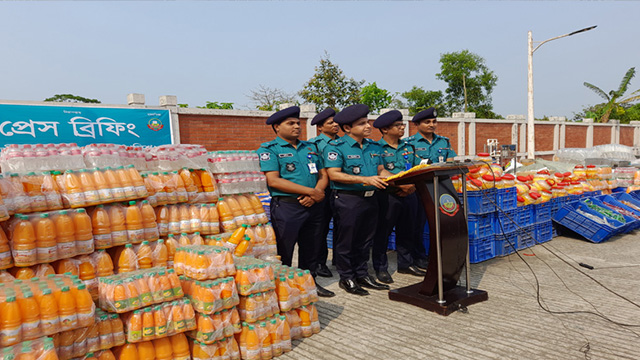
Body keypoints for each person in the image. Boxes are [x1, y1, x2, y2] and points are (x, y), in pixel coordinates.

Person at [257, 105, 335, 297]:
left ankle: (309, 284)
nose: (297, 127)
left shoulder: (311, 147)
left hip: (313, 205)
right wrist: (311, 192)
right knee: (285, 250)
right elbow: (273, 180)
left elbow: (323, 174)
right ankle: (283, 288)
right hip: (287, 207)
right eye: (290, 123)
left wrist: (316, 193)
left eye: (298, 123)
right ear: (277, 127)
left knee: (312, 248)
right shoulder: (269, 149)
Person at [323, 104, 392, 296]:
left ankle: (362, 274)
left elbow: (381, 171)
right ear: (347, 128)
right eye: (362, 124)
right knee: (347, 241)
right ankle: (347, 277)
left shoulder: (374, 146)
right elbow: (334, 174)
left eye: (368, 122)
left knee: (365, 240)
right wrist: (365, 180)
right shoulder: (336, 147)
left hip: (371, 199)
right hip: (348, 199)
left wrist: (398, 177)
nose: (368, 126)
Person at [372, 110, 427, 284]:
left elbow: (417, 168)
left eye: (402, 124)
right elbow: (377, 171)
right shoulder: (376, 149)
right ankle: (381, 268)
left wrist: (411, 186)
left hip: (410, 193)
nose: (402, 127)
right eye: (398, 126)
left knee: (408, 230)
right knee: (383, 233)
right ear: (385, 129)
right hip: (388, 195)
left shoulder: (408, 147)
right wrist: (398, 185)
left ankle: (406, 263)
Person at [405, 107, 457, 270]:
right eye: (427, 122)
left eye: (434, 122)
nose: (431, 125)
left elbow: (450, 161)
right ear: (417, 124)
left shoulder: (444, 141)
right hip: (420, 189)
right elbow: (408, 167)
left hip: (441, 188)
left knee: (442, 223)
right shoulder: (409, 143)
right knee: (417, 224)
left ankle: (439, 255)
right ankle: (418, 257)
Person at [308, 107, 339, 278]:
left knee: (342, 227)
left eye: (336, 122)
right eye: (330, 123)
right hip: (324, 191)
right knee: (321, 229)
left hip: (342, 190)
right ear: (320, 127)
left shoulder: (342, 143)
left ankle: (339, 259)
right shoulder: (313, 145)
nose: (335, 125)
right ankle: (320, 262)